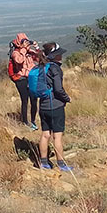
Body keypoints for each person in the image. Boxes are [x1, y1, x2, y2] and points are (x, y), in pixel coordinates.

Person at [37, 42, 72, 172]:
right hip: (55, 106)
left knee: (45, 134)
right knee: (57, 136)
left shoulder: (40, 67)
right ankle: (61, 165)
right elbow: (58, 89)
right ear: (54, 55)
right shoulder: (55, 68)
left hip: (43, 106)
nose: (61, 56)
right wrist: (67, 98)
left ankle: (44, 163)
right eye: (59, 54)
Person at [11, 33, 39, 130]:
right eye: (23, 41)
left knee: (34, 99)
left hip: (31, 77)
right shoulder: (15, 53)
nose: (26, 43)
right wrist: (23, 50)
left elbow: (39, 58)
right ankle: (25, 121)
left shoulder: (29, 51)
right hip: (21, 79)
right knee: (25, 100)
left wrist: (36, 47)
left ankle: (33, 120)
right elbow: (19, 61)